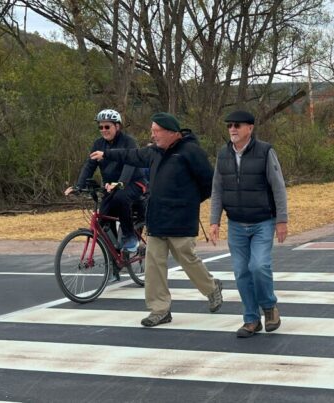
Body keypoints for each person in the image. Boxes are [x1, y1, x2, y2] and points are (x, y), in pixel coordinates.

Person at [90, 112, 223, 327]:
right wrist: (107, 155)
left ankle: (212, 287)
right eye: (152, 131)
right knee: (154, 265)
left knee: (187, 259)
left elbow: (210, 183)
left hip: (181, 218)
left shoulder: (191, 152)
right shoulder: (153, 152)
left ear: (171, 132)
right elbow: (131, 155)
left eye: (156, 131)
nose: (152, 135)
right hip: (157, 217)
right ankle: (159, 310)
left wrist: (190, 201)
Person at [209, 110, 289, 338]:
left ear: (250, 128)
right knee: (241, 272)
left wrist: (282, 220)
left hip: (263, 221)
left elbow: (278, 187)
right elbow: (217, 189)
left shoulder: (265, 151)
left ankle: (269, 307)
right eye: (229, 125)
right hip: (236, 224)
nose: (232, 129)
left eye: (237, 125)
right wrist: (214, 221)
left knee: (259, 266)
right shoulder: (223, 154)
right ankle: (251, 319)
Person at [65, 109, 146, 260]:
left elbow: (129, 165)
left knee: (121, 197)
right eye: (100, 127)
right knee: (103, 219)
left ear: (117, 126)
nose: (103, 130)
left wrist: (120, 183)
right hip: (111, 186)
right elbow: (89, 165)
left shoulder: (129, 142)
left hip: (134, 182)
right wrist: (78, 186)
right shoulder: (98, 144)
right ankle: (115, 258)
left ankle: (130, 236)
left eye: (107, 126)